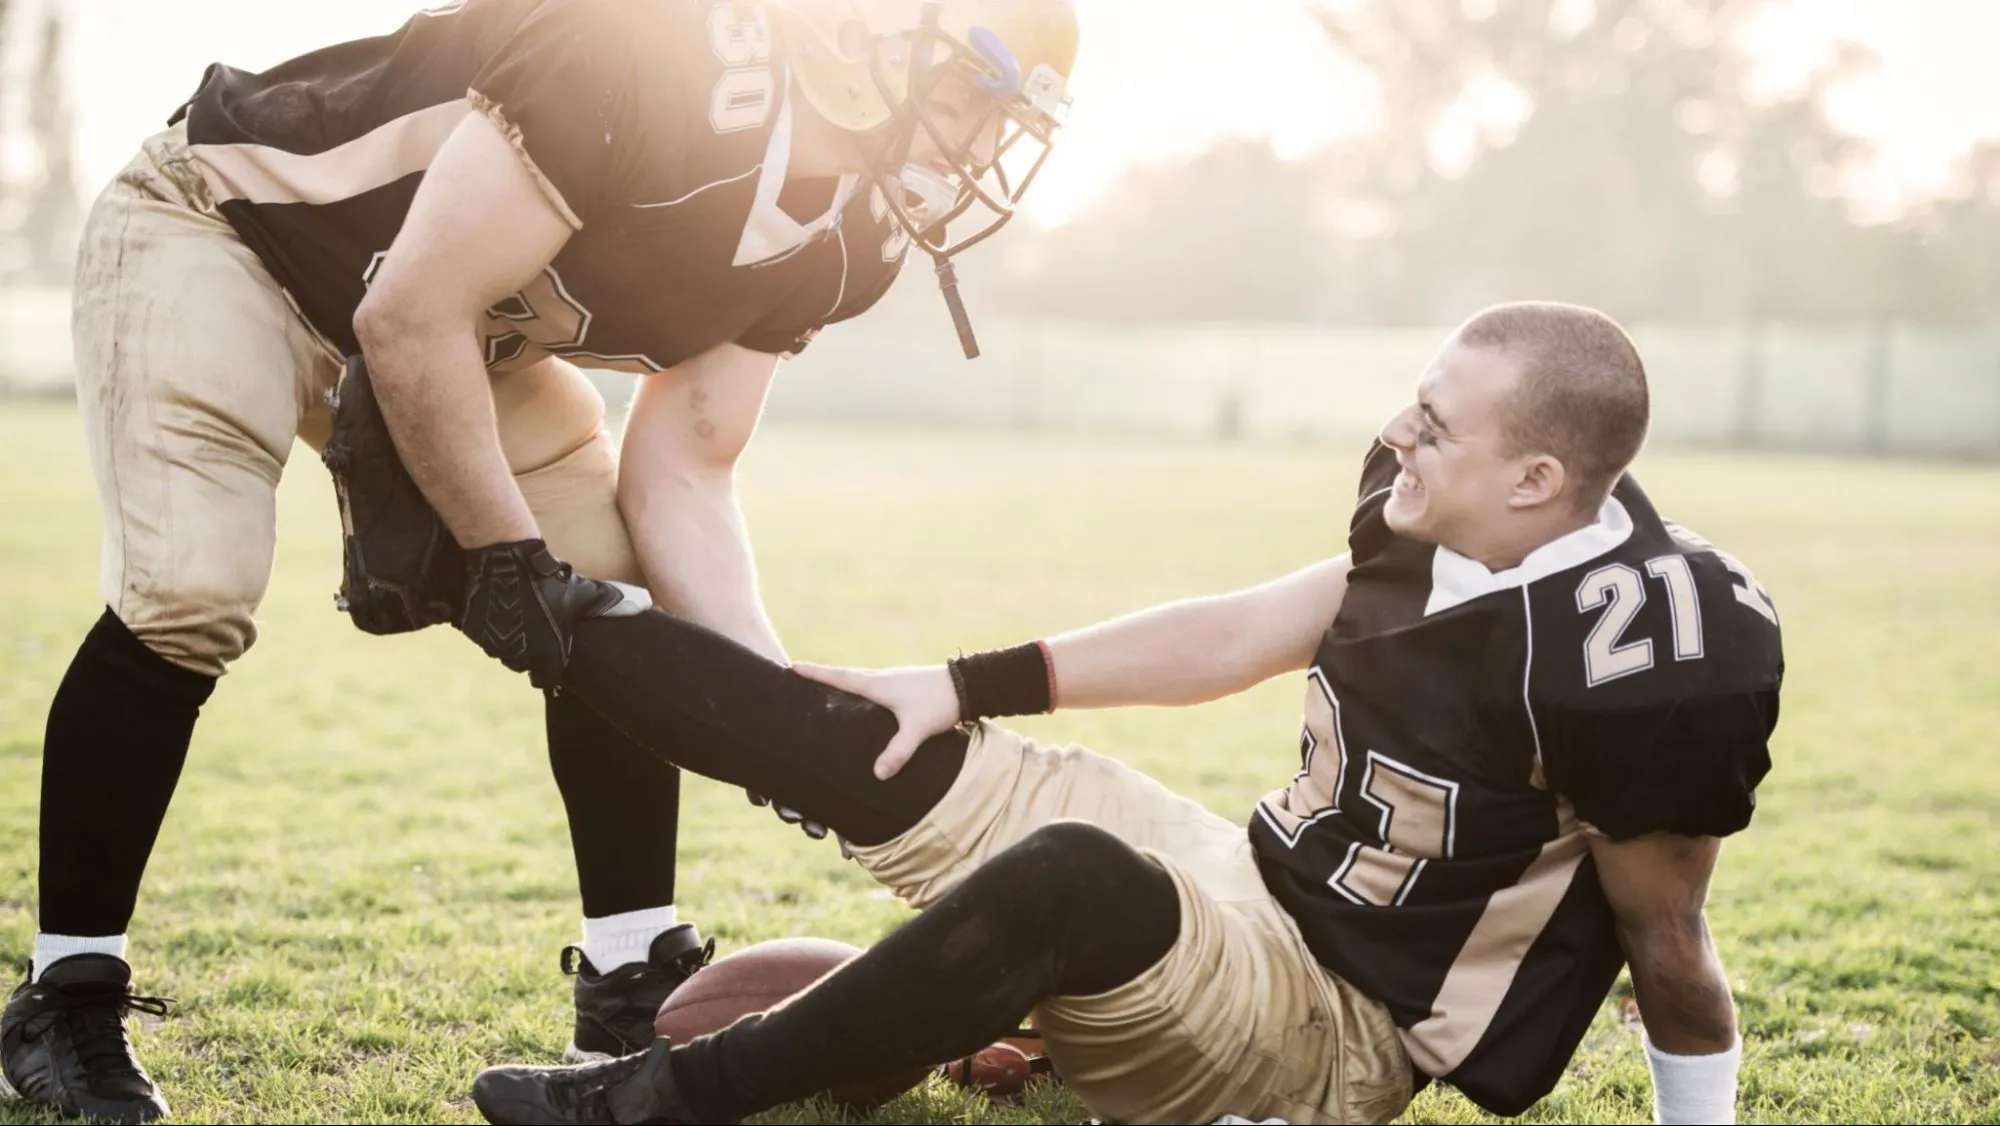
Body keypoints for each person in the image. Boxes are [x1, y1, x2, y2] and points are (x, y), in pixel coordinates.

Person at [0, 1, 1077, 1121]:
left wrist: (778, 714)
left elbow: (685, 472)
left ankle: (627, 969)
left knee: (606, 591)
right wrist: (503, 555)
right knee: (192, 591)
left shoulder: (853, 238)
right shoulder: (651, 51)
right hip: (234, 238)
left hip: (451, 332)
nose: (968, 141)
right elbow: (409, 311)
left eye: (997, 117)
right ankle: (67, 991)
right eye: (969, 85)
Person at [449, 301, 1783, 1125]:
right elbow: (1234, 635)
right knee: (883, 728)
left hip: (1336, 1032)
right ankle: (481, 576)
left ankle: (659, 1099)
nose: (1395, 432)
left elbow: (1668, 936)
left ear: (1539, 479)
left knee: (1073, 878)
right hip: (1246, 877)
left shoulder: (1648, 648)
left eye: (1435, 423)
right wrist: (961, 683)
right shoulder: (1434, 511)